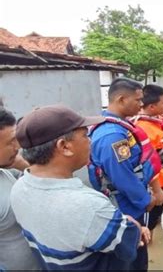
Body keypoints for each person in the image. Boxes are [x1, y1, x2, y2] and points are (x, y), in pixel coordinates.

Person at [10, 105, 148, 270]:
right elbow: (129, 243)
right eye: (84, 135)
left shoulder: (19, 187)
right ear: (65, 147)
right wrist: (134, 224)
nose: (90, 140)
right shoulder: (89, 207)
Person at [88, 77, 163, 271]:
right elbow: (122, 176)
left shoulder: (121, 125)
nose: (141, 105)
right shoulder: (112, 135)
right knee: (132, 256)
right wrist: (145, 199)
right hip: (126, 205)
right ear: (122, 99)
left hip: (130, 200)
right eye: (138, 100)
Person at [133, 84, 163, 234]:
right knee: (150, 221)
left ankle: (159, 231)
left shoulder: (159, 120)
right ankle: (152, 247)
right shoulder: (143, 128)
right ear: (152, 106)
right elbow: (147, 162)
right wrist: (156, 190)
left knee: (159, 212)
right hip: (156, 184)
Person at [0, 108, 41, 270]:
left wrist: (20, 162)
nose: (17, 147)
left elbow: (43, 181)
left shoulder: (6, 174)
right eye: (11, 142)